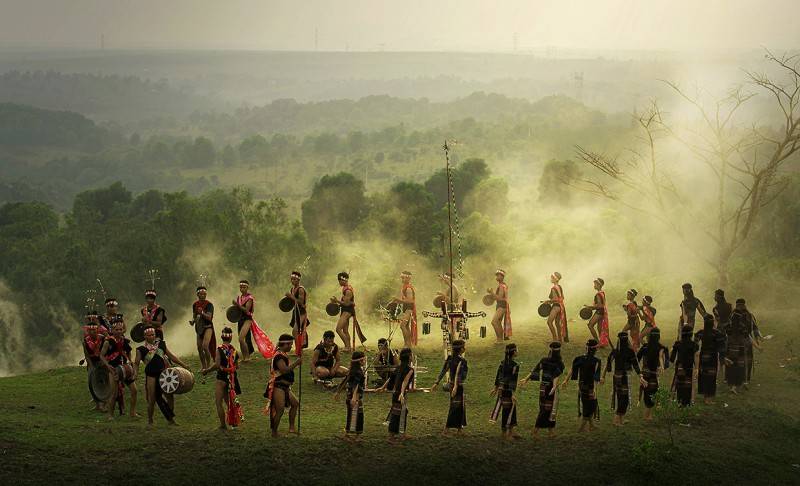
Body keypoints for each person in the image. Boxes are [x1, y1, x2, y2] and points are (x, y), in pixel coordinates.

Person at [133, 326, 189, 426]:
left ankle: (170, 420)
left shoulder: (161, 344)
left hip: (163, 373)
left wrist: (183, 364)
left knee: (169, 396)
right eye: (148, 335)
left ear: (155, 335)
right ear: (144, 336)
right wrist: (135, 373)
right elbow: (136, 363)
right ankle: (150, 420)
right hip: (151, 375)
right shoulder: (140, 349)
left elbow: (172, 356)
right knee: (152, 399)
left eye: (153, 335)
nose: (151, 337)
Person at [520, 341, 565, 437]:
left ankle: (550, 431)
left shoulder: (544, 360)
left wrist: (526, 379)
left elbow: (535, 370)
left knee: (545, 408)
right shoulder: (560, 363)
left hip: (543, 387)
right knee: (548, 409)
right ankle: (535, 431)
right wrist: (554, 387)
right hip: (551, 388)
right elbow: (556, 376)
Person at [201, 327, 242, 430]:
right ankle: (233, 424)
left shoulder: (219, 349)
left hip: (221, 378)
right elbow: (237, 366)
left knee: (218, 402)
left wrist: (207, 370)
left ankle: (223, 425)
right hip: (231, 379)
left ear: (221, 337)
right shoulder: (234, 350)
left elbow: (217, 364)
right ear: (231, 337)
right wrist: (230, 368)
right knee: (230, 402)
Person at [100, 319, 138, 419]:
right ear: (112, 330)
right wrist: (108, 366)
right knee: (114, 393)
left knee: (134, 390)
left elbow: (129, 351)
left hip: (125, 368)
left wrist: (130, 361)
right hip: (113, 370)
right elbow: (101, 355)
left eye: (121, 329)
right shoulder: (108, 342)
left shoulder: (125, 341)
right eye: (117, 329)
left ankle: (132, 412)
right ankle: (110, 415)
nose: (119, 331)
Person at [604, 332, 643, 426]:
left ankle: (622, 419)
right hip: (624, 377)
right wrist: (640, 375)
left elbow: (609, 361)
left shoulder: (616, 351)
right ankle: (616, 420)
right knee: (624, 399)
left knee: (621, 397)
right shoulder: (630, 352)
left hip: (617, 377)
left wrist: (605, 373)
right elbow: (635, 364)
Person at [266, 334, 302, 437]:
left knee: (295, 404)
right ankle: (274, 432)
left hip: (285, 387)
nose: (291, 346)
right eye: (290, 344)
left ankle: (291, 428)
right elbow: (284, 370)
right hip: (278, 386)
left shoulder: (283, 354)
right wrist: (297, 363)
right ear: (285, 344)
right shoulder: (278, 356)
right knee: (280, 410)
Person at [564, 339, 603, 432]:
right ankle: (581, 428)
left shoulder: (579, 359)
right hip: (590, 387)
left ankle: (591, 425)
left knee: (586, 404)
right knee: (591, 405)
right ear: (595, 349)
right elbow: (595, 377)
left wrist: (566, 380)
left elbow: (572, 369)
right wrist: (594, 389)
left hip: (581, 386)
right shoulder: (596, 361)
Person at [431, 339, 468, 433]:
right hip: (457, 386)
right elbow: (459, 375)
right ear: (461, 349)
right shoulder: (462, 361)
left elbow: (443, 371)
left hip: (452, 385)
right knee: (455, 406)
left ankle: (459, 429)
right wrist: (456, 386)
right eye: (464, 346)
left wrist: (436, 382)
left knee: (459, 406)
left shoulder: (450, 359)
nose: (465, 348)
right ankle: (447, 429)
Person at [694, 314, 728, 404]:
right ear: (712, 322)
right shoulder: (716, 333)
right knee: (711, 377)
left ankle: (706, 397)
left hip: (703, 357)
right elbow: (721, 348)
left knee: (704, 376)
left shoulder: (701, 332)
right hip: (712, 358)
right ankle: (708, 399)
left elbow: (695, 343)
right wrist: (724, 358)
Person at [382, 347, 415, 439]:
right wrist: (402, 393)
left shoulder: (398, 367)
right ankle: (391, 436)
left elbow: (390, 379)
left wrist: (382, 387)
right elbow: (405, 381)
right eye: (411, 355)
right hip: (400, 394)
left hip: (396, 393)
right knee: (397, 414)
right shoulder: (410, 370)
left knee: (402, 412)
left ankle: (402, 433)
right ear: (409, 357)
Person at [636, 328, 669, 420]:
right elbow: (666, 362)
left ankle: (648, 415)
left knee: (647, 392)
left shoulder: (645, 347)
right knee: (652, 393)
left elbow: (637, 359)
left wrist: (640, 371)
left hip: (645, 373)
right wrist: (661, 367)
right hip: (653, 375)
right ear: (658, 336)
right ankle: (647, 415)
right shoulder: (661, 347)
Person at [490, 343, 520, 438]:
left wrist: (495, 388)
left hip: (501, 389)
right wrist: (512, 394)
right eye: (517, 350)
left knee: (510, 409)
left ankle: (511, 431)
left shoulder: (502, 363)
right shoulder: (515, 366)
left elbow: (498, 376)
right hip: (507, 391)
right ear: (514, 352)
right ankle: (505, 433)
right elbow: (512, 381)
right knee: (508, 410)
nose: (517, 352)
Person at [335, 351, 368, 437]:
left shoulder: (352, 370)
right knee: (357, 416)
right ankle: (352, 435)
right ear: (359, 361)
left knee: (351, 415)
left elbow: (345, 381)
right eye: (363, 360)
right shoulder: (358, 372)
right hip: (355, 397)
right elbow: (356, 385)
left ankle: (349, 434)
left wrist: (338, 392)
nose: (364, 362)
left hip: (349, 396)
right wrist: (354, 397)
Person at [732, 298, 762, 385]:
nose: (739, 307)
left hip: (746, 340)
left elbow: (755, 328)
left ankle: (746, 379)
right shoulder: (734, 315)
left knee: (748, 360)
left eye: (740, 305)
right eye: (738, 305)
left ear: (743, 305)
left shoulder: (749, 316)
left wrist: (757, 337)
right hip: (738, 340)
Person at [670, 325, 699, 406]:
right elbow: (696, 356)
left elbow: (671, 358)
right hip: (690, 367)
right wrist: (696, 368)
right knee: (691, 384)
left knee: (679, 383)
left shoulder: (678, 343)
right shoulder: (694, 345)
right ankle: (691, 401)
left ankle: (677, 400)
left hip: (680, 367)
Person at [82, 314, 106, 412]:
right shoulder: (85, 341)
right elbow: (87, 355)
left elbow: (105, 352)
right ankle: (97, 404)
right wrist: (91, 366)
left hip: (102, 362)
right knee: (91, 383)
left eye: (94, 330)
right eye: (90, 330)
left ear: (97, 330)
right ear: (88, 331)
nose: (92, 332)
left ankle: (104, 404)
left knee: (104, 382)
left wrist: (103, 362)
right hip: (92, 362)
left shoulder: (102, 338)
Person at [192, 286, 216, 372]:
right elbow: (195, 317)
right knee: (199, 347)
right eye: (201, 294)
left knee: (205, 346)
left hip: (208, 327)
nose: (203, 295)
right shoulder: (195, 304)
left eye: (204, 294)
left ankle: (208, 366)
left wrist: (202, 312)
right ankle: (203, 366)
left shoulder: (209, 305)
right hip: (199, 328)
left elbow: (209, 318)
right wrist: (192, 321)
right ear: (197, 294)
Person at [724, 309, 749, 393]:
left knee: (730, 367)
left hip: (730, 348)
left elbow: (725, 333)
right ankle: (736, 385)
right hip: (740, 348)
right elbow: (746, 336)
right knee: (739, 367)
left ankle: (731, 386)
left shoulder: (728, 326)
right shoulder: (742, 326)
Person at [331, 272, 356, 352]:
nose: (339, 282)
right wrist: (336, 302)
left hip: (347, 311)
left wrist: (336, 301)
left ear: (343, 280)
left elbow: (346, 303)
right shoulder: (345, 288)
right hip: (345, 310)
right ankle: (347, 347)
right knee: (345, 331)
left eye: (339, 280)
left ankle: (348, 347)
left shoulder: (348, 290)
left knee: (338, 329)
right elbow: (346, 302)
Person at [286, 271, 309, 349]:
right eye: (291, 279)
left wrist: (291, 296)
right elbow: (292, 302)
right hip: (295, 312)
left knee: (295, 331)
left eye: (294, 279)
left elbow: (300, 302)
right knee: (298, 331)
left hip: (301, 312)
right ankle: (298, 349)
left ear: (298, 280)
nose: (292, 281)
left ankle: (298, 350)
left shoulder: (301, 289)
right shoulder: (292, 289)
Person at [233, 279, 255, 362]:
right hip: (240, 319)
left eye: (244, 287)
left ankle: (247, 357)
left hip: (247, 319)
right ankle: (245, 356)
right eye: (241, 287)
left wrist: (237, 305)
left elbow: (246, 310)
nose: (242, 289)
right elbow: (237, 309)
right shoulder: (239, 297)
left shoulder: (250, 298)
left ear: (247, 288)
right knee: (241, 339)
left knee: (241, 338)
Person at [585, 278, 610, 347]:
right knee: (599, 328)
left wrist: (590, 307)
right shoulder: (602, 292)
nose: (594, 285)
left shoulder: (599, 294)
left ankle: (597, 341)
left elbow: (599, 305)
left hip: (599, 312)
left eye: (595, 284)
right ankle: (601, 343)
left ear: (599, 285)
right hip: (602, 312)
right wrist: (591, 307)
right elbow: (601, 305)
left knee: (590, 325)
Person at [488, 269, 512, 343]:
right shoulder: (502, 285)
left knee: (494, 322)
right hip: (501, 305)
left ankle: (500, 339)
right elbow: (498, 298)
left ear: (502, 277)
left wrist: (491, 292)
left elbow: (499, 298)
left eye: (498, 275)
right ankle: (500, 339)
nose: (496, 276)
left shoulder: (502, 286)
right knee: (498, 322)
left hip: (502, 305)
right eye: (496, 275)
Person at [545, 272, 568, 343]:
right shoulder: (559, 286)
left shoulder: (553, 288)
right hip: (561, 306)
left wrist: (548, 301)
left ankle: (555, 339)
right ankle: (560, 339)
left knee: (549, 322)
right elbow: (562, 297)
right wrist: (550, 301)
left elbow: (555, 299)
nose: (551, 279)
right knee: (557, 323)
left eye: (552, 277)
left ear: (555, 279)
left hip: (556, 306)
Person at [397, 270, 418, 348]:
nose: (402, 280)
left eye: (404, 278)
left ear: (408, 278)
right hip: (407, 309)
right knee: (406, 326)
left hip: (409, 309)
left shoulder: (408, 288)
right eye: (401, 278)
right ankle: (408, 344)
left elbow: (410, 300)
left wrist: (398, 300)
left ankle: (407, 344)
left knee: (402, 326)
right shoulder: (405, 287)